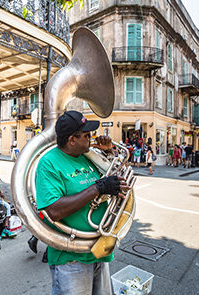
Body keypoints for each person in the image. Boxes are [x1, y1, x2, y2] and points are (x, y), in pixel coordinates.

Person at [35, 111, 129, 295]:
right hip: (71, 258)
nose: (91, 138)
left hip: (98, 249)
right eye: (86, 135)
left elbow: (117, 178)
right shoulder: (49, 163)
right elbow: (53, 210)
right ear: (72, 139)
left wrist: (109, 153)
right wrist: (98, 188)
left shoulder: (88, 156)